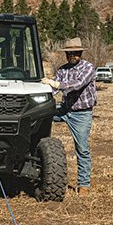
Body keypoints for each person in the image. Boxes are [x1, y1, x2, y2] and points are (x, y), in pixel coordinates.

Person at [41, 37, 97, 195]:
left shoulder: (88, 68)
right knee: (40, 116)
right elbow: (54, 90)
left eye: (76, 53)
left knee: (82, 148)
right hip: (65, 109)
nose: (73, 55)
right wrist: (45, 89)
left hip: (82, 114)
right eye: (69, 53)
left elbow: (77, 85)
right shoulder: (62, 70)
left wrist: (57, 84)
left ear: (81, 53)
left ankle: (84, 184)